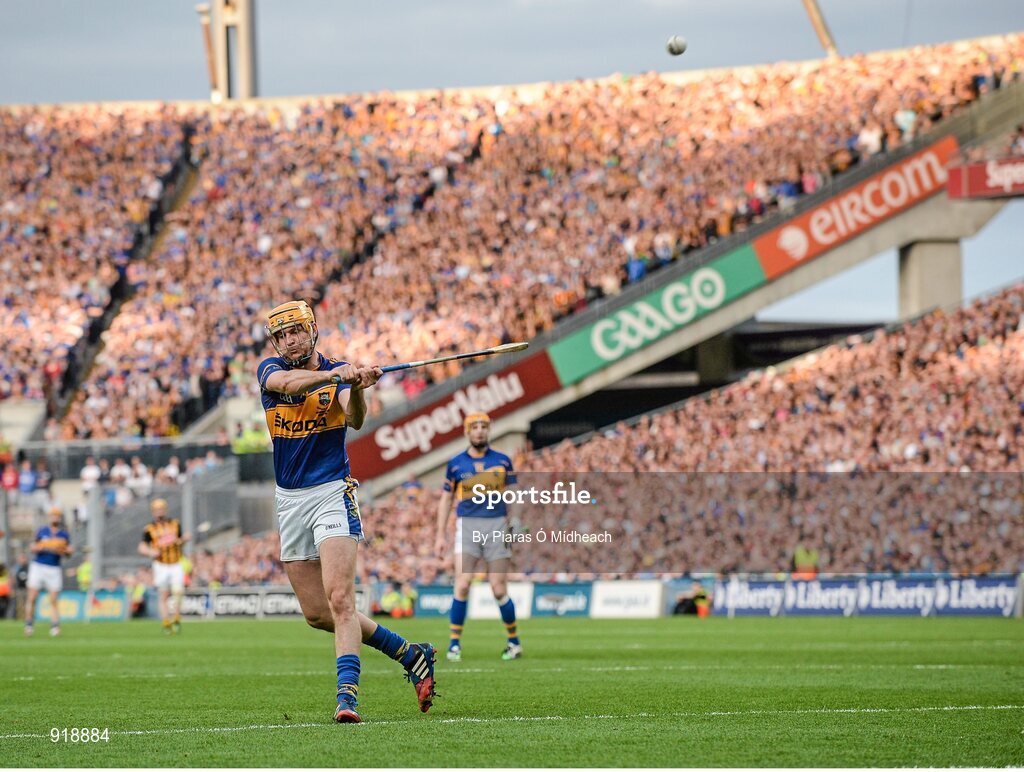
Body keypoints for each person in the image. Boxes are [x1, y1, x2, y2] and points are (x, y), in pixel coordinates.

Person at [256, 299, 436, 724]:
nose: (289, 340)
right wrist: (334, 375)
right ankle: (410, 653)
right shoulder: (270, 370)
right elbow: (289, 385)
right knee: (318, 614)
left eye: (296, 331)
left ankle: (347, 697)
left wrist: (355, 386)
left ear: (312, 330)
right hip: (289, 500)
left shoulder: (338, 372)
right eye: (281, 335)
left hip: (331, 492)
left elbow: (354, 420)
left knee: (340, 600)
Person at [435, 412, 522, 662]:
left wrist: (514, 521)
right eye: (475, 427)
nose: (480, 431)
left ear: (489, 430)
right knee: (462, 584)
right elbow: (445, 500)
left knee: (498, 588)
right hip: (468, 527)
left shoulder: (503, 461)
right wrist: (440, 535)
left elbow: (515, 494)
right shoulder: (455, 464)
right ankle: (454, 645)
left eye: (484, 426)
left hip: (496, 526)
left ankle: (514, 642)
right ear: (467, 431)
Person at [137, 498, 190, 634]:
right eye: (156, 509)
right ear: (153, 511)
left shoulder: (175, 524)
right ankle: (166, 622)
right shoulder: (149, 529)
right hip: (161, 565)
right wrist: (150, 551)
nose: (159, 512)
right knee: (163, 595)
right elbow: (142, 546)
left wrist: (183, 540)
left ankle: (176, 618)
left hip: (175, 563)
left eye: (161, 509)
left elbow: (180, 540)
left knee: (178, 592)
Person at [25, 506, 74, 637]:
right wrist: (44, 546)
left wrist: (66, 550)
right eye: (52, 515)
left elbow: (68, 551)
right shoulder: (42, 531)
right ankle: (29, 624)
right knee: (32, 597)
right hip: (39, 566)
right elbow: (32, 547)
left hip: (54, 567)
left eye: (57, 515)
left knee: (53, 599)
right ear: (49, 517)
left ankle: (55, 626)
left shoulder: (64, 534)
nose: (54, 517)